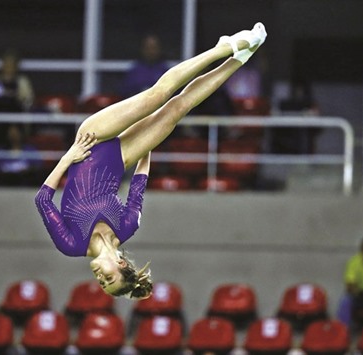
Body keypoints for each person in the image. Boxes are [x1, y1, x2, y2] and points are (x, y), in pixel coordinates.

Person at [35, 23, 267, 300]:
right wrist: (149, 141)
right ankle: (238, 58)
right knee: (175, 107)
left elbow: (43, 201)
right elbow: (138, 184)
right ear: (121, 264)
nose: (100, 278)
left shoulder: (71, 244)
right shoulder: (127, 226)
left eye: (102, 283)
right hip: (121, 158)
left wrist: (68, 156)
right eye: (109, 279)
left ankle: (224, 46)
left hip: (88, 141)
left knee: (156, 97)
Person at [118, 34, 170, 99]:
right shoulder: (134, 72)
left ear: (159, 49)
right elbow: (125, 93)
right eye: (148, 48)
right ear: (142, 49)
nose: (151, 52)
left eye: (153, 48)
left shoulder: (166, 71)